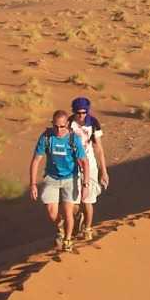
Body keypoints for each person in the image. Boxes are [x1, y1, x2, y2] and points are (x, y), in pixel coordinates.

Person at [29, 110, 88, 253]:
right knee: (52, 213)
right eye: (56, 126)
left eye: (62, 126)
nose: (58, 130)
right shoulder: (47, 137)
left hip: (70, 178)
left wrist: (85, 184)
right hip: (52, 178)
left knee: (68, 212)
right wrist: (33, 184)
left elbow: (84, 162)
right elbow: (36, 160)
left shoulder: (74, 139)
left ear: (67, 124)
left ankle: (67, 240)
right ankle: (61, 227)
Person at [69, 95, 110, 241]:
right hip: (72, 166)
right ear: (74, 112)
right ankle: (76, 219)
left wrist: (104, 171)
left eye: (84, 112)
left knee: (88, 200)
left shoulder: (93, 123)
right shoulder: (68, 124)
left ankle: (87, 228)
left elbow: (98, 148)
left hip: (90, 165)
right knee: (72, 202)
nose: (81, 116)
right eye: (78, 113)